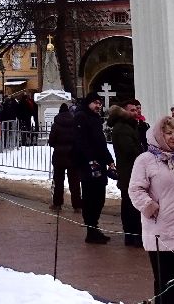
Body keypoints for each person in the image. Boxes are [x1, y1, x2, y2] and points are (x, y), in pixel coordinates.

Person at [128, 114, 174, 304]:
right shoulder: (145, 160)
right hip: (161, 231)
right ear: (158, 135)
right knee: (164, 283)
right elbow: (135, 189)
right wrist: (149, 206)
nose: (173, 137)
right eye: (168, 133)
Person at [74, 94, 114, 244]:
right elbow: (81, 142)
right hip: (88, 165)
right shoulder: (81, 117)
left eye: (100, 103)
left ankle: (94, 227)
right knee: (90, 198)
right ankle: (91, 230)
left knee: (99, 197)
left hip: (99, 164)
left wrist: (109, 160)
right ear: (88, 103)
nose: (98, 106)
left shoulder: (95, 119)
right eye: (95, 103)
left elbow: (101, 143)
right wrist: (90, 160)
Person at [109, 99, 145, 245]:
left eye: (136, 110)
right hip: (129, 172)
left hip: (131, 171)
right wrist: (143, 152)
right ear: (124, 111)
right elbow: (130, 151)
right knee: (131, 206)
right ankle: (133, 235)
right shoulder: (123, 128)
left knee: (131, 204)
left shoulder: (129, 126)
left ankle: (133, 234)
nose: (135, 112)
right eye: (132, 110)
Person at [49, 99, 80, 210]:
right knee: (75, 182)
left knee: (58, 181)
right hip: (73, 156)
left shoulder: (56, 125)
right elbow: (78, 139)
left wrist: (57, 146)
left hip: (59, 156)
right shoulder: (74, 123)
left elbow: (51, 141)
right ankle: (77, 205)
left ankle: (57, 204)